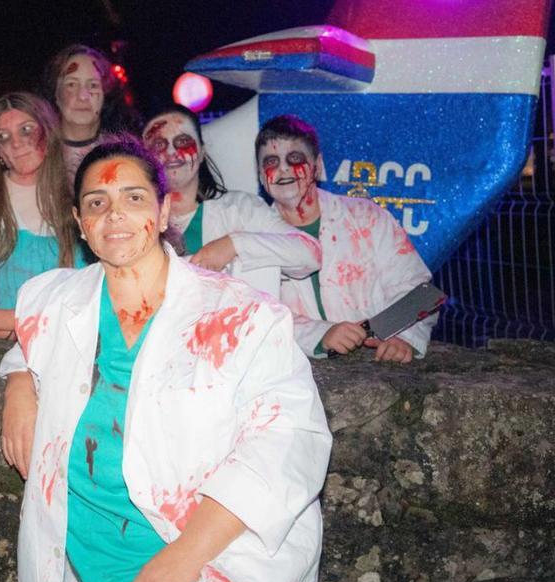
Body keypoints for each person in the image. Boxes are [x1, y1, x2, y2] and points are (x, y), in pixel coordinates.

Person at [0, 138, 331, 582]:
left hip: (209, 576)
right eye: (97, 203)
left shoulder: (240, 314)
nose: (115, 215)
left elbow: (289, 441)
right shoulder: (51, 299)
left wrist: (185, 558)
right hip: (91, 580)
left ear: (163, 208)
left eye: (133, 198)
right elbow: (29, 344)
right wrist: (20, 385)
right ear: (79, 222)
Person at [257, 114, 435, 362]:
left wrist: (402, 336)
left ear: (317, 165)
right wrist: (320, 335)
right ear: (259, 173)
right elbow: (258, 314)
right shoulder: (255, 237)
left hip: (376, 364)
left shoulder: (366, 216)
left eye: (295, 158)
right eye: (271, 161)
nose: (283, 169)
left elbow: (416, 288)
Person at [0, 92, 85, 339]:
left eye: (26, 130)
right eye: (3, 137)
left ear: (48, 133)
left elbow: (84, 308)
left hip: (62, 354)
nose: (16, 143)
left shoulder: (80, 207)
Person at [141, 104, 321, 279]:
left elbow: (310, 253)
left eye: (182, 142)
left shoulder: (240, 210)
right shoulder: (135, 221)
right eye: (158, 144)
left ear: (202, 151)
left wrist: (234, 244)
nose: (172, 152)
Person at [40, 44, 139, 182]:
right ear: (55, 94)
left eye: (93, 85)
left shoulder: (125, 155)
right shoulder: (36, 156)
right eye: (72, 84)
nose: (83, 96)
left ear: (105, 94)